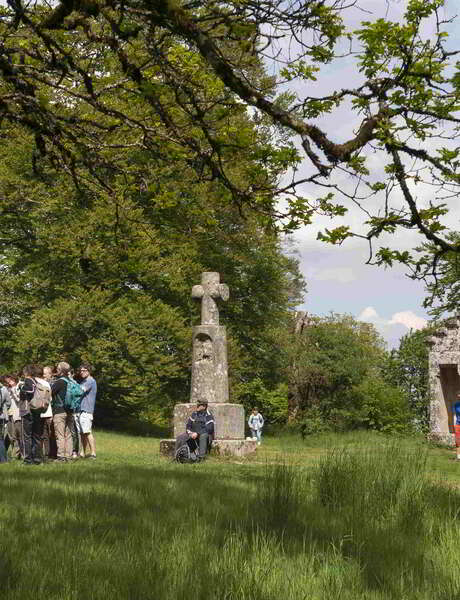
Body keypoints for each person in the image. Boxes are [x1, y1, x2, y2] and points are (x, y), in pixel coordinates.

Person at [19, 364, 45, 465]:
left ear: (26, 372)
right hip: (36, 411)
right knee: (36, 436)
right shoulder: (37, 381)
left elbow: (30, 390)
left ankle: (27, 460)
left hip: (27, 411)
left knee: (26, 436)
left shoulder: (28, 380)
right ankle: (37, 459)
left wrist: (21, 388)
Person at [51, 362, 74, 462]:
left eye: (57, 369)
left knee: (60, 435)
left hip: (60, 411)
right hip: (71, 411)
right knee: (68, 435)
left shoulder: (59, 382)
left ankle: (61, 457)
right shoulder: (71, 381)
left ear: (60, 370)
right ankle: (68, 456)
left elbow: (50, 393)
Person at [76, 363, 97, 459]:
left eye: (84, 370)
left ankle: (93, 453)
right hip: (82, 410)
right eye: (81, 371)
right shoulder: (84, 381)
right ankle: (83, 453)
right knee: (82, 433)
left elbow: (80, 391)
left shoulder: (90, 381)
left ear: (89, 371)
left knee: (87, 432)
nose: (82, 372)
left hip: (86, 410)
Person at [3, 375, 23, 459]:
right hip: (10, 415)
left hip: (18, 415)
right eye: (7, 381)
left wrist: (13, 391)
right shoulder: (7, 389)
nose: (9, 382)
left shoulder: (19, 386)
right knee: (12, 436)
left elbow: (19, 400)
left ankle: (21, 455)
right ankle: (15, 455)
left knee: (20, 435)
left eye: (10, 380)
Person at [42, 366, 57, 459]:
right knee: (45, 435)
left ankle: (53, 453)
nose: (43, 376)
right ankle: (47, 454)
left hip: (51, 412)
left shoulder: (52, 384)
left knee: (52, 434)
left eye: (44, 374)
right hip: (45, 413)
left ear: (50, 374)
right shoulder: (43, 383)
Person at [0, 380, 11, 463]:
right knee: (0, 438)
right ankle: (3, 460)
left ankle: (3, 460)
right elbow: (8, 402)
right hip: (1, 416)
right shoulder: (4, 389)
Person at [454, 393, 460, 460]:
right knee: (458, 441)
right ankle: (458, 457)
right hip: (458, 424)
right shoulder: (456, 405)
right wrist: (454, 425)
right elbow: (455, 415)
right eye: (458, 397)